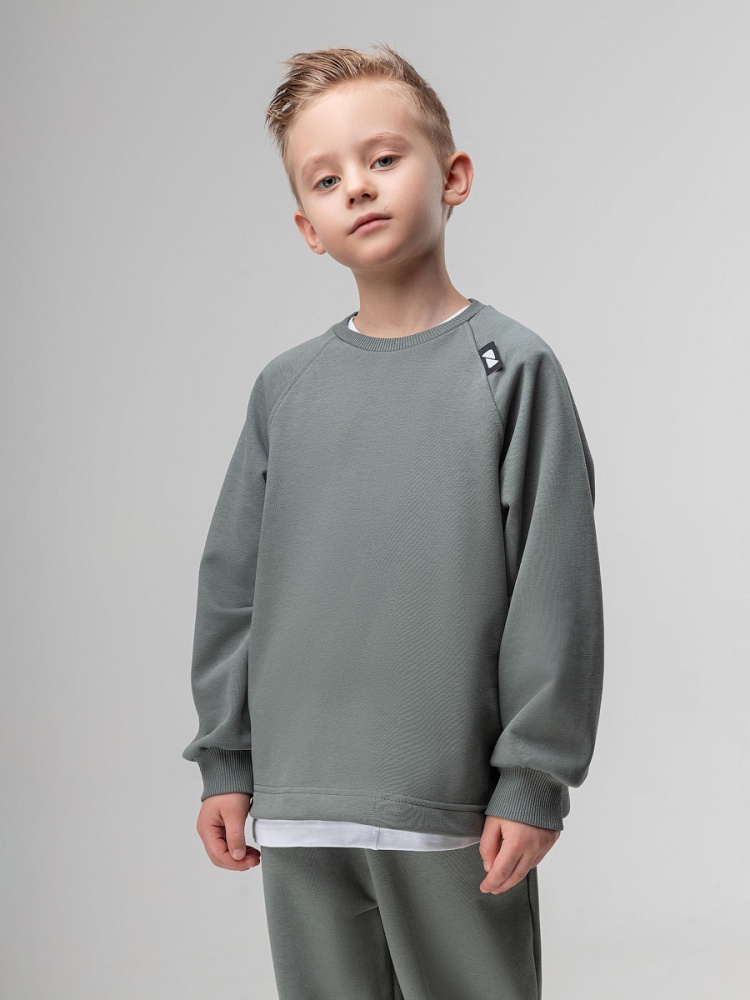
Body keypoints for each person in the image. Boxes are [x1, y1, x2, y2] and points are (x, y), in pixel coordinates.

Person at [182, 41, 604, 1000]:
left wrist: (534, 776)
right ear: (309, 228)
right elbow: (233, 585)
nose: (359, 188)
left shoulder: (513, 370)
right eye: (327, 179)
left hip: (450, 807)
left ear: (452, 176)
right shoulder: (286, 389)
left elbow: (555, 587)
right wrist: (226, 761)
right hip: (300, 803)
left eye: (382, 158)